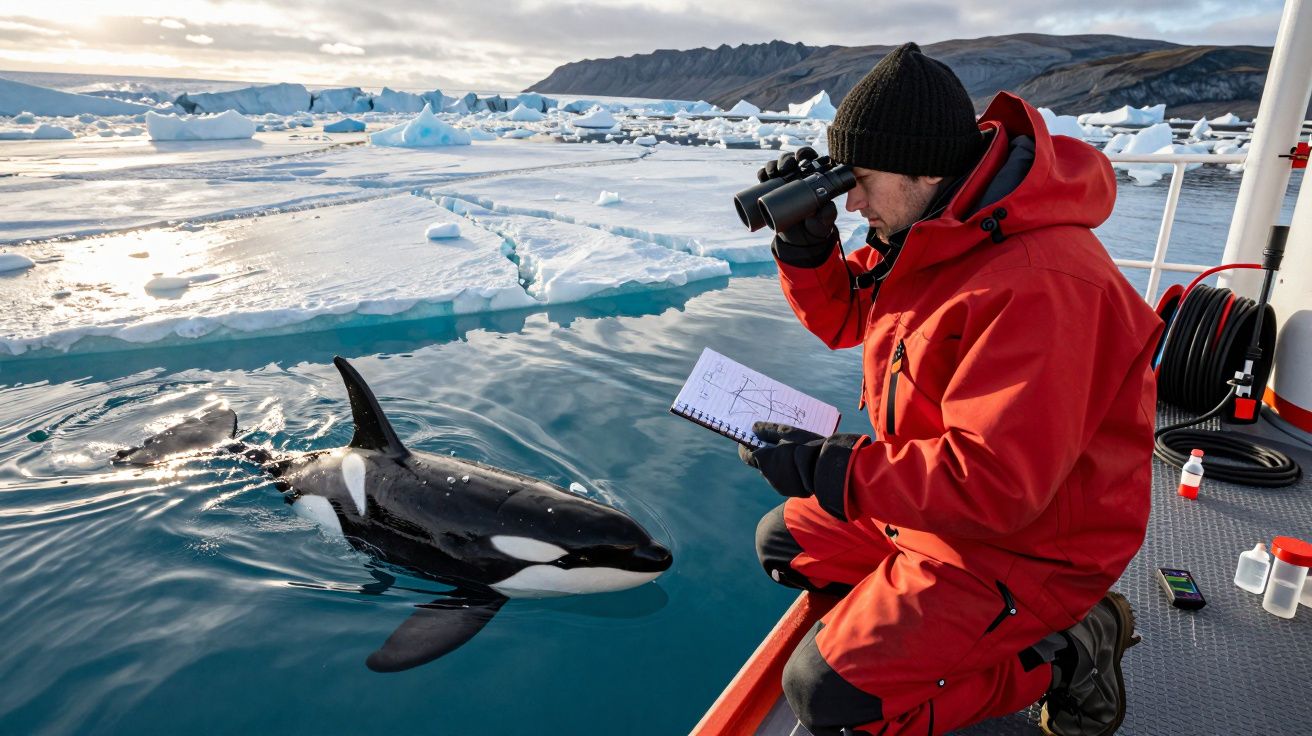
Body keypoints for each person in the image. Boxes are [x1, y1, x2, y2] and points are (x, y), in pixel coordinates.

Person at [739, 43, 1164, 736]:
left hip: (1030, 546)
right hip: (938, 513)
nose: (850, 202)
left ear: (925, 167)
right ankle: (920, 633)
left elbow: (997, 485)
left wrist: (836, 467)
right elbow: (850, 317)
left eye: (862, 180)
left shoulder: (1043, 285)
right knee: (784, 542)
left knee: (829, 700)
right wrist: (807, 251)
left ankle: (1067, 649)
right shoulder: (944, 226)